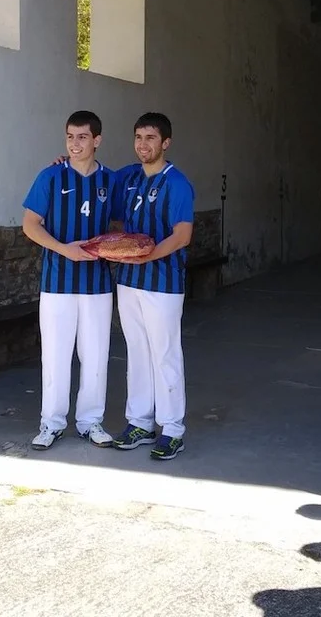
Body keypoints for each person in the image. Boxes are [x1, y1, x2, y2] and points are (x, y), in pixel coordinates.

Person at [22, 110, 116, 450]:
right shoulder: (50, 176)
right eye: (70, 137)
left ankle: (90, 422)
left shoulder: (112, 181)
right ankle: (51, 423)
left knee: (96, 355)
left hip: (97, 284)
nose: (75, 144)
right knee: (55, 355)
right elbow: (30, 225)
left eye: (82, 137)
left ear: (97, 140)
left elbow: (122, 226)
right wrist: (65, 249)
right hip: (57, 282)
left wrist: (115, 248)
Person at [106, 112, 194, 461]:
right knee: (137, 352)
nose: (143, 145)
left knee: (165, 354)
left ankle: (172, 429)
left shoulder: (177, 183)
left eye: (151, 138)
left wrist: (147, 256)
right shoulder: (129, 176)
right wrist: (64, 162)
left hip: (163, 283)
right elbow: (91, 176)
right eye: (139, 137)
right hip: (129, 281)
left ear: (165, 143)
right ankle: (140, 423)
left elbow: (183, 235)